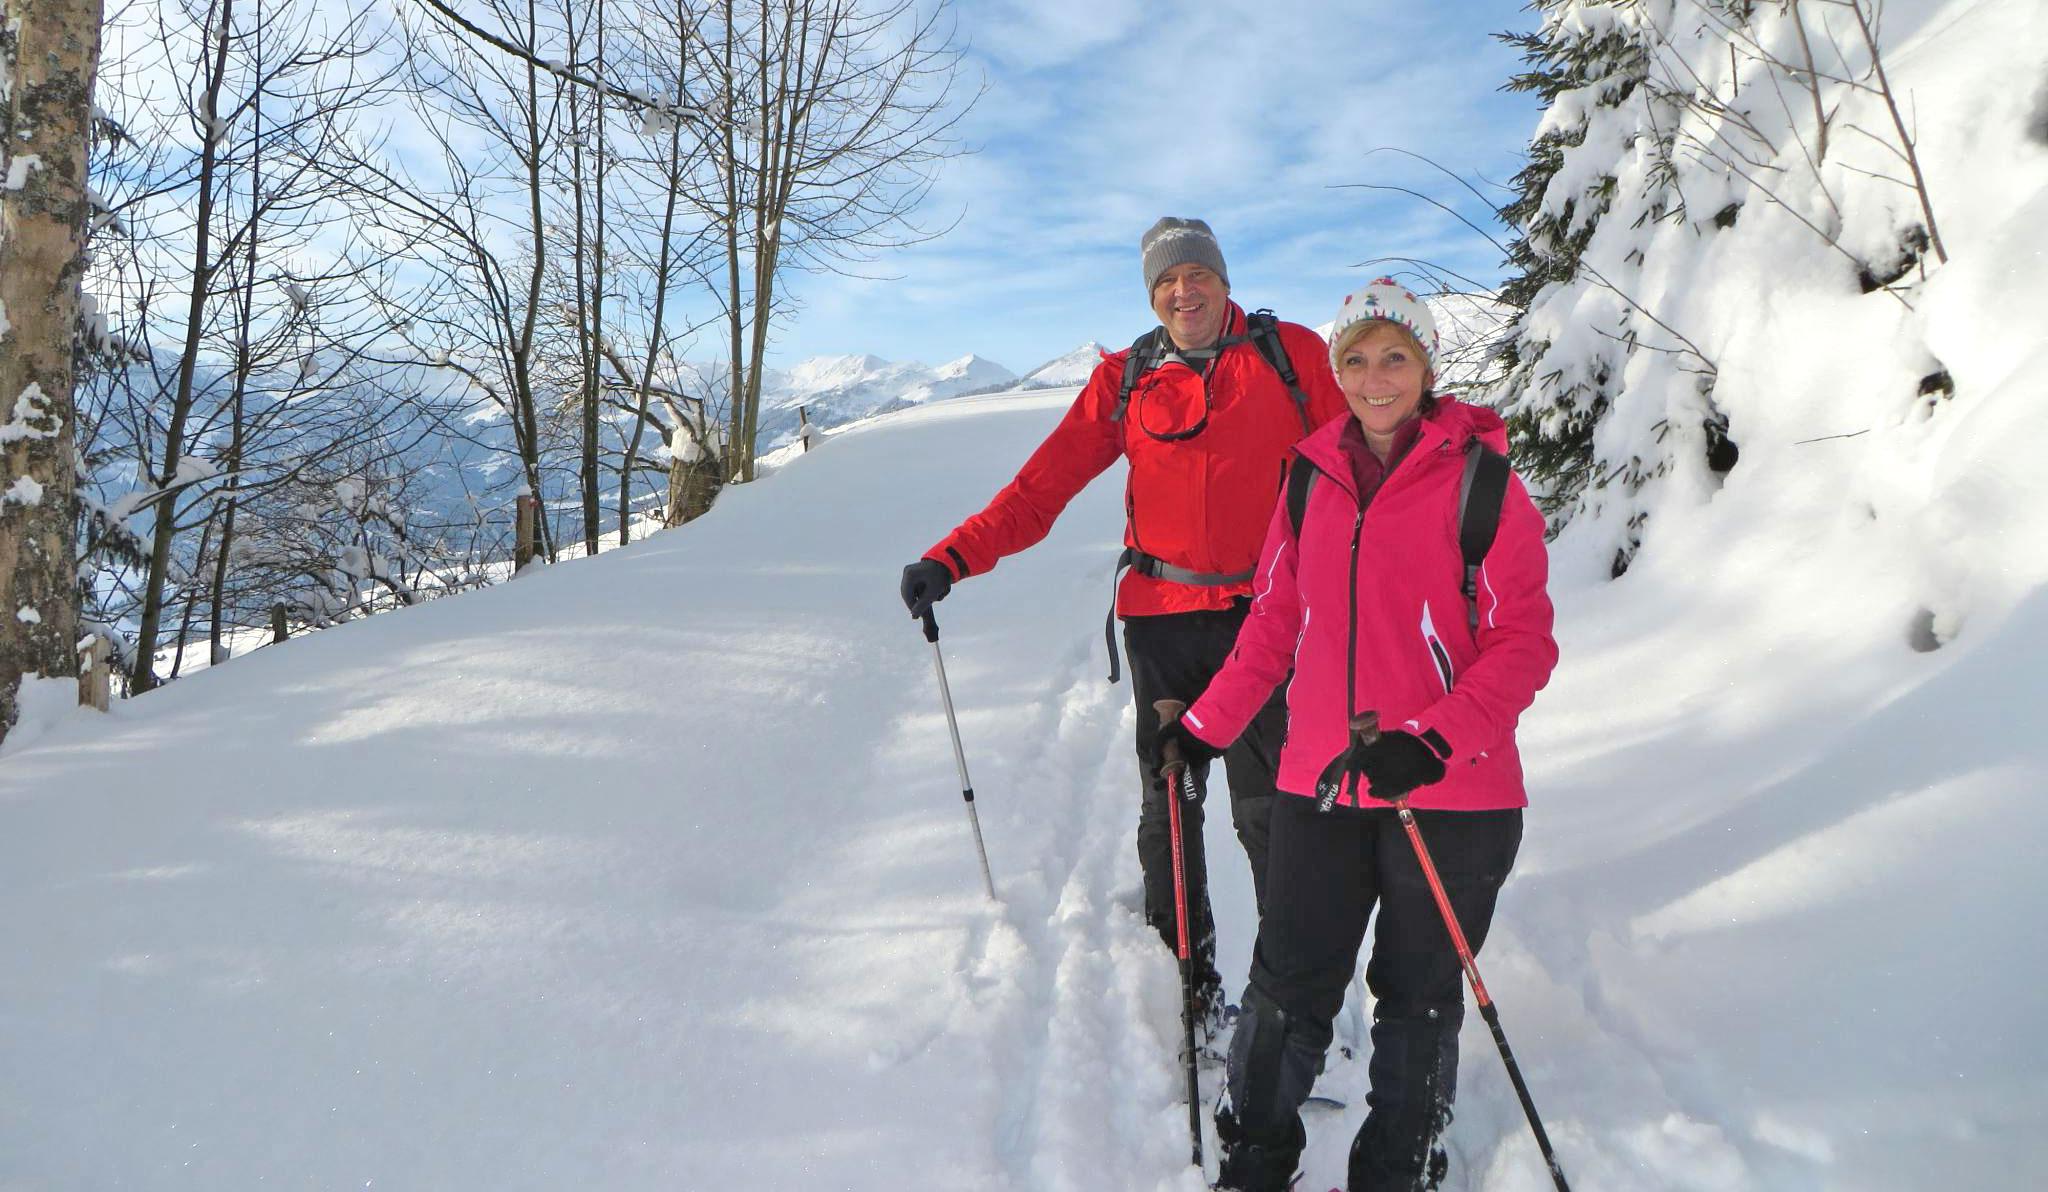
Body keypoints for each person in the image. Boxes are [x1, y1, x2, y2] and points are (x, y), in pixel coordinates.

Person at [1151, 279, 1558, 1191]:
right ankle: (1253, 1163)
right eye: (1357, 359)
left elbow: (1523, 644)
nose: (1376, 378)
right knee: (1288, 984)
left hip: (1450, 796)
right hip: (1323, 782)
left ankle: (1398, 1170)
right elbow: (1272, 622)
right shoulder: (1309, 477)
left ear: (1425, 367)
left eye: (1395, 357)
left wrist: (1434, 742)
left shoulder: (1482, 481)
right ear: (1336, 372)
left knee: (1416, 999)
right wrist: (1208, 729)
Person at [899, 218, 1346, 1013]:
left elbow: (1362, 464)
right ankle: (1191, 985)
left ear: (1223, 279)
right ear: (1152, 294)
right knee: (1169, 808)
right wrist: (952, 557)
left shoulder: (1293, 357)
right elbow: (1042, 490)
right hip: (1162, 622)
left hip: (1267, 623)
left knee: (1272, 812)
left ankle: (1291, 1000)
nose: (1185, 291)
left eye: (1197, 274)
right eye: (1167, 281)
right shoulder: (1126, 376)